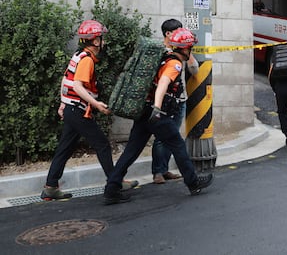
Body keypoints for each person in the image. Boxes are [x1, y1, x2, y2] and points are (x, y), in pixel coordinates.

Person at [103, 28, 213, 204]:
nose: (190, 50)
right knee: (177, 145)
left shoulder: (163, 58)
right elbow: (163, 84)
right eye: (190, 47)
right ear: (184, 49)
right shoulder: (174, 64)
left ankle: (111, 188)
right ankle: (193, 182)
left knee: (132, 150)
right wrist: (157, 108)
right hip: (156, 114)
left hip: (144, 112)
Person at [42, 20, 137, 200]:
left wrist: (63, 103)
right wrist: (97, 104)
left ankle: (50, 187)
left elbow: (66, 80)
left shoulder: (78, 55)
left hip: (71, 109)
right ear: (95, 41)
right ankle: (115, 183)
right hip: (78, 111)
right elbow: (77, 86)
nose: (104, 42)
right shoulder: (87, 61)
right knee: (102, 145)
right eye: (102, 38)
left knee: (64, 148)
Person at [151, 19, 199, 184]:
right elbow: (163, 81)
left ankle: (164, 170)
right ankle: (158, 171)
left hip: (180, 100)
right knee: (162, 138)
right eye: (177, 31)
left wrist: (188, 49)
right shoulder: (161, 52)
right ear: (168, 34)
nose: (181, 34)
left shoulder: (181, 51)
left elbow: (195, 70)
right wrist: (157, 106)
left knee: (173, 136)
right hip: (165, 104)